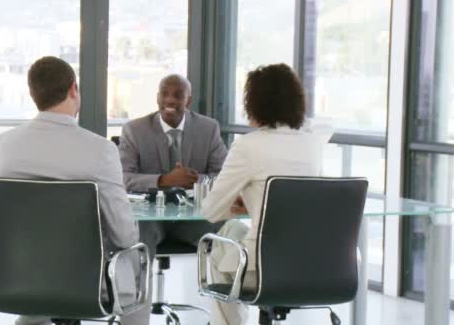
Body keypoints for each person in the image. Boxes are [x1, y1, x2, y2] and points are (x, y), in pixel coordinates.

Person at [0, 56, 141, 325]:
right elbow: (124, 236)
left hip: (18, 279)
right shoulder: (101, 150)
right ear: (73, 89)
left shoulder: (4, 145)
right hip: (84, 285)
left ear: (32, 94)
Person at [202, 63, 333, 325]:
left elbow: (210, 211)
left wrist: (241, 204)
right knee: (233, 232)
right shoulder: (313, 145)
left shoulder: (248, 146)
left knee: (220, 242)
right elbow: (296, 203)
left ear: (255, 103)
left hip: (262, 269)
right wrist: (255, 204)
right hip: (314, 266)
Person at [118, 74, 228, 322]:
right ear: (157, 97)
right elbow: (123, 178)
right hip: (148, 221)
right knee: (139, 238)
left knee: (230, 231)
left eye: (177, 95)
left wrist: (193, 180)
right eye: (163, 93)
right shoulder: (134, 130)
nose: (169, 100)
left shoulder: (208, 128)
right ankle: (135, 319)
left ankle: (227, 316)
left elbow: (224, 175)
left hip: (191, 221)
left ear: (188, 100)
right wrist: (164, 180)